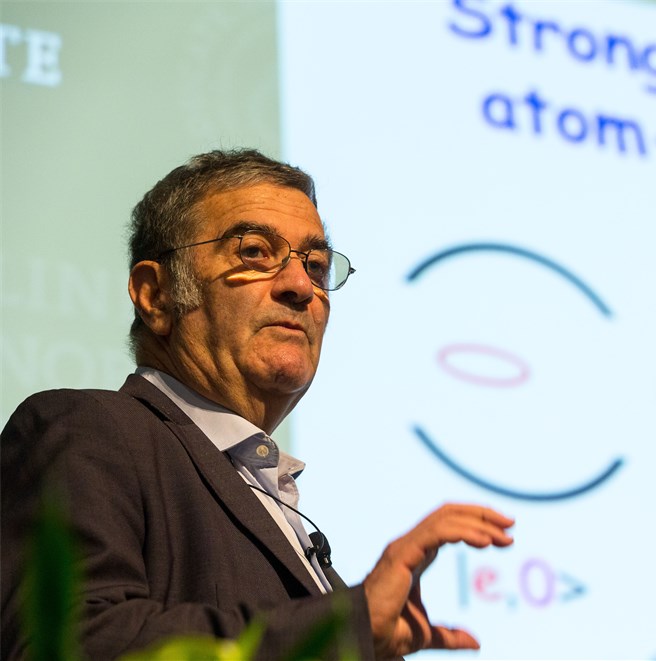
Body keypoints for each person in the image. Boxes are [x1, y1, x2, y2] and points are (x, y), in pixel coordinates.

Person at [0, 149, 514, 660]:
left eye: (315, 265)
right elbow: (69, 643)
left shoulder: (274, 502)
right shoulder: (89, 432)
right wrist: (342, 630)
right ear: (155, 295)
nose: (300, 286)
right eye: (253, 252)